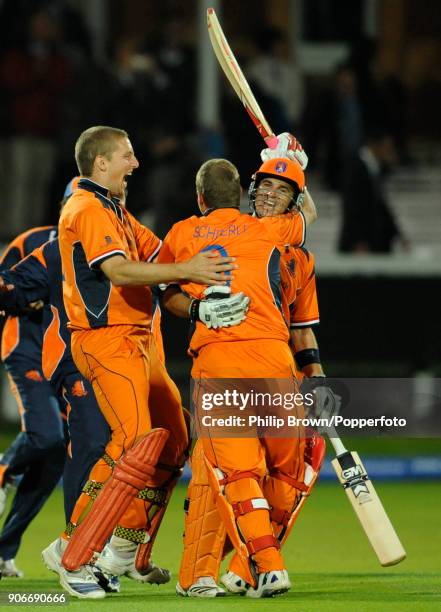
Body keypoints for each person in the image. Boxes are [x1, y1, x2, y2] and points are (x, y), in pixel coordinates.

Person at [49, 125, 239, 600]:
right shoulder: (87, 208)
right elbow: (119, 271)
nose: (135, 164)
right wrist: (190, 272)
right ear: (101, 164)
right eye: (127, 156)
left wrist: (241, 229)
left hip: (141, 340)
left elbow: (165, 254)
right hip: (106, 341)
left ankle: (119, 553)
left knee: (173, 443)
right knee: (133, 444)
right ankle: (72, 553)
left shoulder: (114, 210)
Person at [158, 155, 317, 598]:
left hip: (218, 365)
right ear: (245, 193)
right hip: (271, 362)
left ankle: (258, 566)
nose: (269, 195)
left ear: (199, 197)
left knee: (238, 472)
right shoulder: (269, 231)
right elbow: (307, 217)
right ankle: (228, 569)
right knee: (291, 468)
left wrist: (194, 308)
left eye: (279, 189)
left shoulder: (182, 233)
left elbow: (165, 289)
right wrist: (291, 157)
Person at [0, 226, 65, 578]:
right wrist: (28, 295)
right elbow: (4, 287)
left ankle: (3, 551)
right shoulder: (32, 241)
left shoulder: (107, 241)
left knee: (53, 459)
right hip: (27, 350)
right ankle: (6, 467)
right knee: (48, 436)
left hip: (66, 360)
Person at [338, 128, 409, 253]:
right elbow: (351, 205)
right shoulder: (355, 167)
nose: (390, 152)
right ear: (375, 145)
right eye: (387, 147)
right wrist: (358, 240)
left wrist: (398, 235)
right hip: (360, 244)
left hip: (375, 242)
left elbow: (381, 205)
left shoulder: (375, 167)